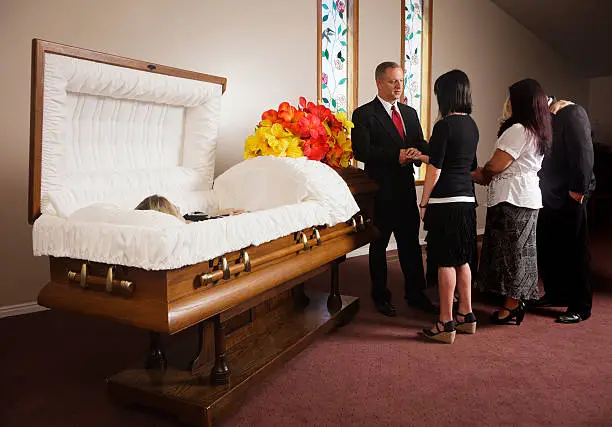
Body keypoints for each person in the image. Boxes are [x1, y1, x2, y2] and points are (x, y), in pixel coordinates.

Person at [351, 61, 435, 316]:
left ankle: (415, 293)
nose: (398, 86)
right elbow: (362, 151)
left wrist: (422, 151)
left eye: (401, 80)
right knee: (379, 246)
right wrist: (395, 155)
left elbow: (419, 142)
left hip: (406, 188)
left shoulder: (409, 113)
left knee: (410, 244)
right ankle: (380, 295)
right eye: (392, 81)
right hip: (380, 190)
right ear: (379, 83)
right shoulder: (364, 114)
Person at [473, 79, 552, 325]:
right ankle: (514, 299)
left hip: (513, 198)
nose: (506, 103)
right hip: (526, 196)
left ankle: (512, 307)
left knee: (512, 254)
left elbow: (496, 165)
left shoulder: (518, 129)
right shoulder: (537, 128)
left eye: (509, 99)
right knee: (521, 252)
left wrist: (478, 173)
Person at [417, 69, 479, 344]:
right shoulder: (471, 125)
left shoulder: (444, 126)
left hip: (445, 202)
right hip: (467, 201)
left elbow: (435, 170)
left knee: (444, 261)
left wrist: (424, 201)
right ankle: (466, 315)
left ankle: (445, 322)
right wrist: (425, 154)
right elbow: (469, 164)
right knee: (462, 258)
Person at [532, 98, 596, 323]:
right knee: (549, 246)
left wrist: (578, 189)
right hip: (548, 194)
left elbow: (584, 152)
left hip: (571, 195)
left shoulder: (573, 112)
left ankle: (581, 306)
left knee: (575, 250)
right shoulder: (545, 119)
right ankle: (556, 293)